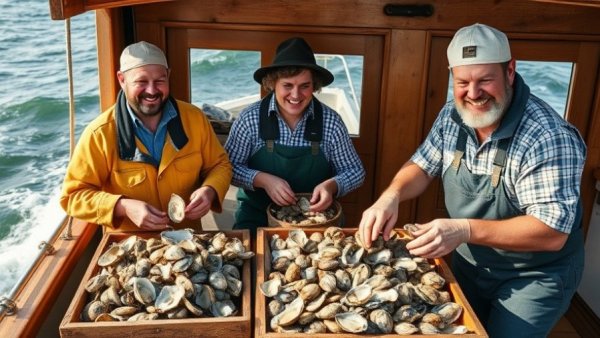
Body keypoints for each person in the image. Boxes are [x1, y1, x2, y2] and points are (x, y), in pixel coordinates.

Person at [358, 23, 585, 337]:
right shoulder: (453, 113)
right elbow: (422, 166)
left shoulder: (547, 137)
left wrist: (462, 228)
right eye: (462, 82)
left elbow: (551, 232)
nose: (474, 93)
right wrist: (391, 196)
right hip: (469, 261)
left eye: (485, 80)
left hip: (534, 275)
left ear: (510, 71)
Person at [60, 41, 232, 233]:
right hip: (131, 250)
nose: (151, 91)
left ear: (168, 76)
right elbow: (73, 197)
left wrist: (210, 190)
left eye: (159, 81)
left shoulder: (195, 118)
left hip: (189, 243)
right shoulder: (98, 134)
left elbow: (220, 165)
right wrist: (123, 206)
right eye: (141, 82)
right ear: (121, 79)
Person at [225, 37, 365, 236]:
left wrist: (331, 186)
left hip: (315, 220)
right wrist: (263, 180)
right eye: (288, 85)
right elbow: (228, 168)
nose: (296, 95)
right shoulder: (250, 118)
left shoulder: (331, 122)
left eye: (305, 86)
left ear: (314, 85)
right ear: (273, 83)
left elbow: (355, 171)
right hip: (257, 216)